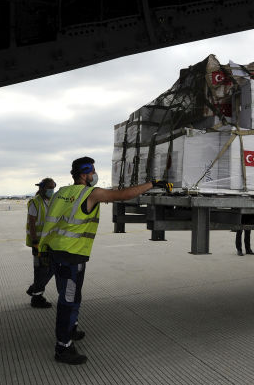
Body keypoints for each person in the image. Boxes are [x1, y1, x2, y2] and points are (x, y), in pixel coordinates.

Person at [39, 156, 170, 365]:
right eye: (92, 172)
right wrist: (152, 184)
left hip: (58, 252)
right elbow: (122, 195)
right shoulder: (90, 193)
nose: (94, 176)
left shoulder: (62, 193)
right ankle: (62, 348)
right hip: (70, 257)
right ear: (84, 174)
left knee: (74, 296)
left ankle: (71, 329)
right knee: (68, 300)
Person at [25, 177, 56, 308]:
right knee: (40, 270)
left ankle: (34, 288)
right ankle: (37, 298)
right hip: (38, 242)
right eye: (49, 187)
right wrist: (35, 242)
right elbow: (32, 223)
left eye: (53, 187)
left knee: (52, 268)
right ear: (42, 188)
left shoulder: (51, 201)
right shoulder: (35, 202)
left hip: (49, 243)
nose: (52, 190)